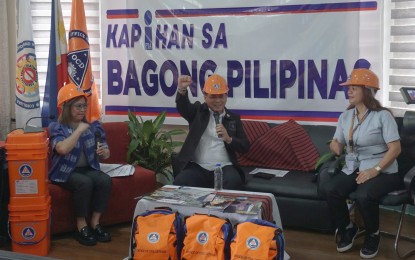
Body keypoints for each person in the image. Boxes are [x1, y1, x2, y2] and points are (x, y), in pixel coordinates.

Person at [324, 68, 401, 259]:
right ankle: (348, 227)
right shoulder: (346, 116)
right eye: (348, 88)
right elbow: (337, 142)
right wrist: (335, 146)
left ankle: (373, 234)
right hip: (354, 166)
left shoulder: (383, 116)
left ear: (367, 90)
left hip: (384, 170)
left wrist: (375, 170)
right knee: (331, 190)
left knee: (363, 195)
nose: (348, 91)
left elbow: (395, 149)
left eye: (353, 88)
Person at [48, 83, 112, 246]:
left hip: (88, 169)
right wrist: (78, 131)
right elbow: (61, 149)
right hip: (64, 172)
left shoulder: (94, 126)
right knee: (84, 183)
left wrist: (105, 152)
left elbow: (105, 150)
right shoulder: (57, 127)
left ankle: (95, 222)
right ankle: (80, 226)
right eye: (78, 106)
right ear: (66, 107)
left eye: (84, 106)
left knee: (105, 180)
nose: (83, 109)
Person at [173, 74, 250, 189]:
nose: (218, 101)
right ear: (205, 96)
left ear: (226, 96)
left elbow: (245, 146)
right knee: (180, 182)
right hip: (198, 167)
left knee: (234, 182)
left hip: (225, 167)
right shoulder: (197, 112)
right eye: (213, 97)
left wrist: (229, 139)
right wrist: (182, 89)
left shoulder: (233, 118)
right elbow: (183, 106)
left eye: (221, 96)